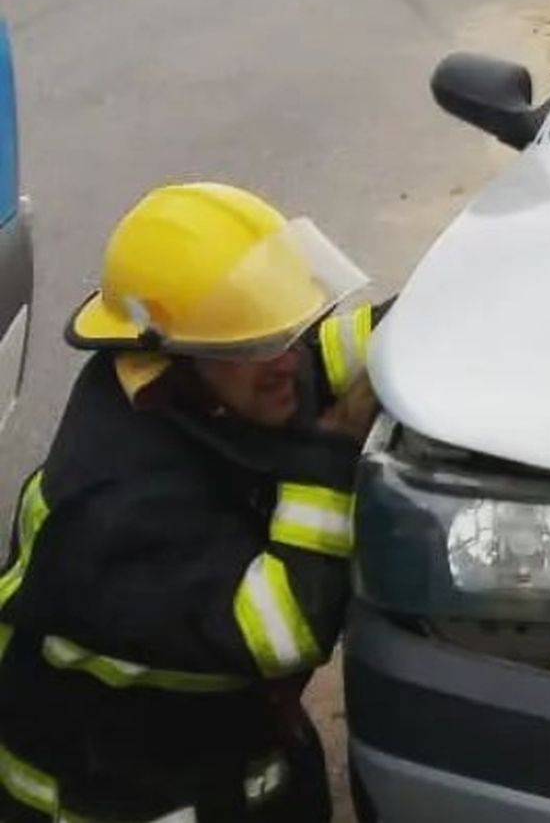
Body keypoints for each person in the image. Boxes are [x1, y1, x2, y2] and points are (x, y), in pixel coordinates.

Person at [0, 183, 387, 822]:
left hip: (222, 750)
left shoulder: (198, 378)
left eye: (287, 332)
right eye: (260, 346)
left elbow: (314, 353)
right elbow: (285, 629)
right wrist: (332, 452)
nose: (287, 362)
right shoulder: (116, 507)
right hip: (121, 794)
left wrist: (431, 317)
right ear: (176, 358)